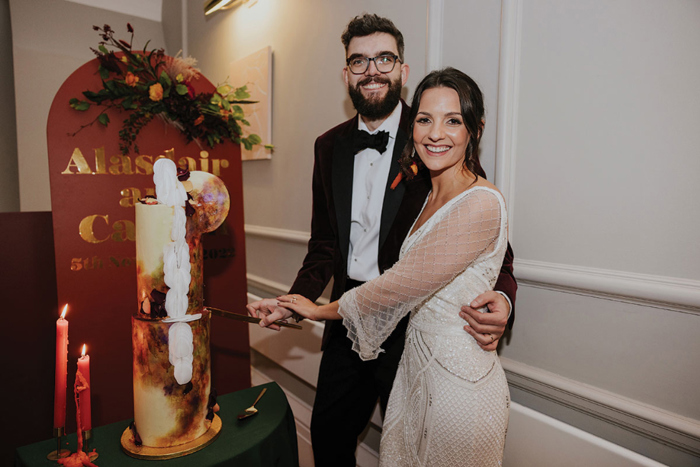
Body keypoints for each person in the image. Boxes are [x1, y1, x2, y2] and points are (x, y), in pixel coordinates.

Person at [246, 14, 516, 466]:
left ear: (402, 71)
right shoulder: (327, 145)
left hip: (413, 327)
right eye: (359, 60)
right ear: (347, 73)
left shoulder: (437, 135)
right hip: (346, 319)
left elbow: (492, 242)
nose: (372, 70)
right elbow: (324, 244)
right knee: (329, 441)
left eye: (384, 58)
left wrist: (504, 301)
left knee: (411, 448)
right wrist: (295, 300)